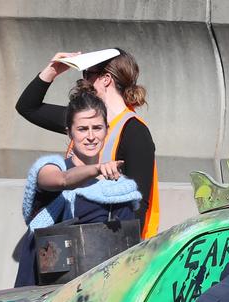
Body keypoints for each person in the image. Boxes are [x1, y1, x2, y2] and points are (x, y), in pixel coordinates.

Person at [16, 48, 159, 239]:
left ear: (106, 78)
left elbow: (138, 202)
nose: (84, 81)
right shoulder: (82, 119)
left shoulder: (134, 132)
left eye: (88, 74)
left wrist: (118, 253)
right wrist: (52, 70)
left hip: (110, 244)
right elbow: (28, 107)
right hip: (73, 236)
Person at [15, 82, 142, 287]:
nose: (91, 136)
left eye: (97, 128)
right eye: (82, 129)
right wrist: (97, 169)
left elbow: (126, 254)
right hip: (37, 292)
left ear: (106, 130)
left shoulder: (117, 190)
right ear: (69, 133)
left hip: (90, 296)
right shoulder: (51, 168)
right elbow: (62, 180)